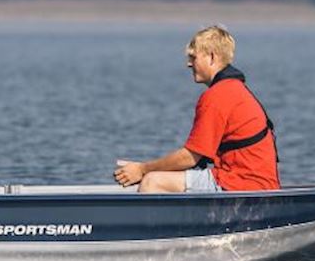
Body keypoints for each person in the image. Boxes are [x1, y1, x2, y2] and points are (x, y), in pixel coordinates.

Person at [114, 25, 280, 193]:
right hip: (250, 181)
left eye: (193, 57)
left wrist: (142, 169)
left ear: (211, 57)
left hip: (242, 183)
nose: (188, 64)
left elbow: (190, 157)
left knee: (153, 181)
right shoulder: (233, 88)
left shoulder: (218, 95)